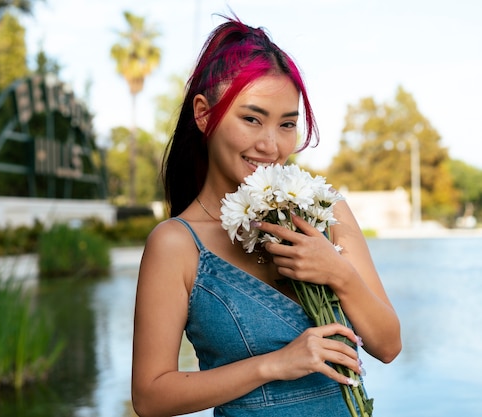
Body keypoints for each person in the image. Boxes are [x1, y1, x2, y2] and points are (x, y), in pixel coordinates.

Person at [131, 14, 401, 417]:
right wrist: (273, 364)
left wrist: (337, 272)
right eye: (252, 119)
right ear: (204, 115)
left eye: (287, 124)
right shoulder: (176, 244)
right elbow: (150, 397)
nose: (271, 145)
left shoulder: (326, 212)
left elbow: (388, 346)